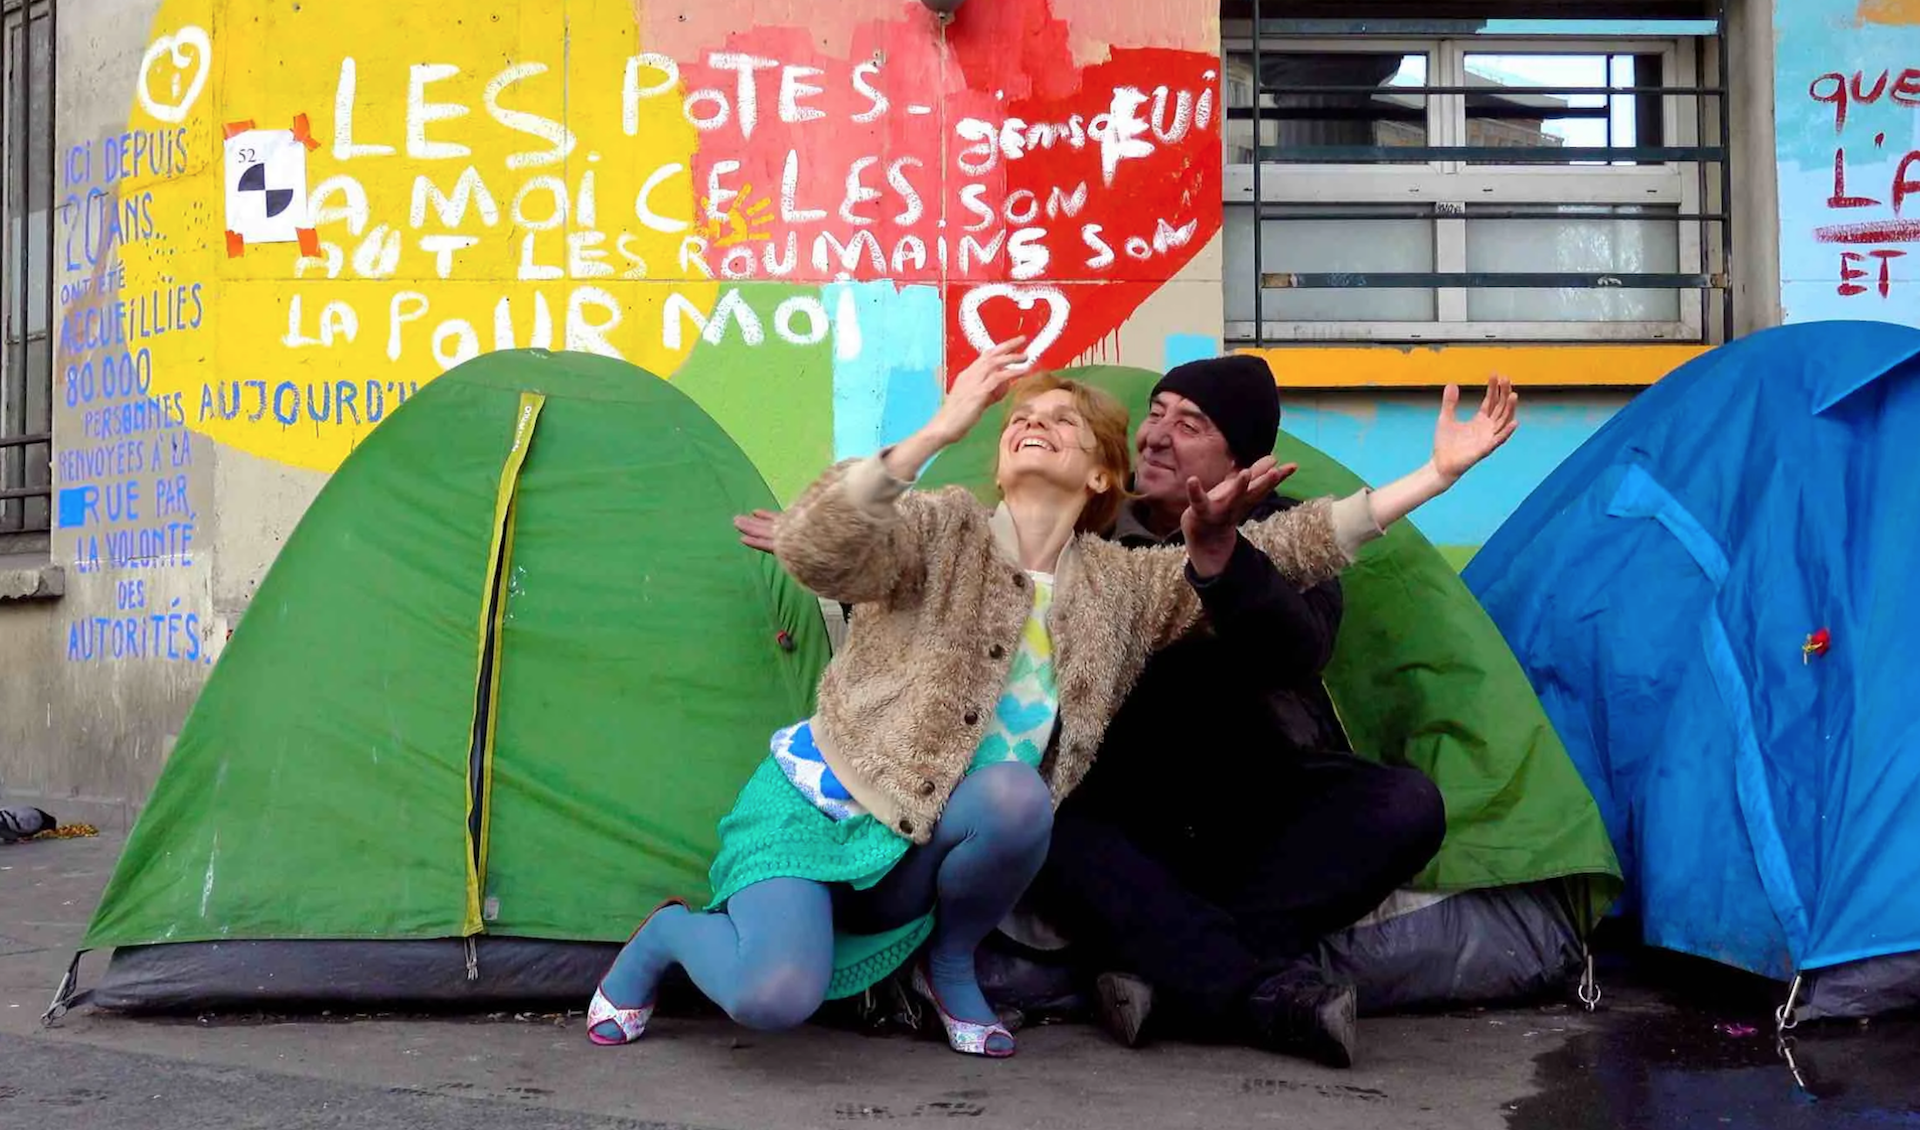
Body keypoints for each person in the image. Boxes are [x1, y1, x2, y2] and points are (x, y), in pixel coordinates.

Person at [591, 338, 1518, 1058]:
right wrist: (933, 435)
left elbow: (1306, 546)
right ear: (993, 460)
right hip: (836, 809)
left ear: (1099, 475)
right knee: (773, 999)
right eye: (1018, 422)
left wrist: (1431, 478)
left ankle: (968, 964)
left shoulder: (1121, 582)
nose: (1037, 426)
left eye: (1067, 426)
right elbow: (828, 551)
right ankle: (672, 934)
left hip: (973, 832)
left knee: (1020, 794)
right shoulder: (943, 523)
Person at [1033, 355, 1451, 1070]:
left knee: (1406, 806)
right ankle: (1264, 992)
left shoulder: (1294, 536)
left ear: (1240, 458)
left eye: (1189, 424)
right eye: (1156, 414)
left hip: (1248, 803)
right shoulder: (1093, 531)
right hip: (1125, 816)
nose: (1156, 437)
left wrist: (1224, 558)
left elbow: (1297, 649)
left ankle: (1164, 966)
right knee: (1047, 827)